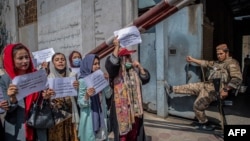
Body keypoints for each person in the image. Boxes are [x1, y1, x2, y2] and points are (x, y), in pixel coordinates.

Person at [165, 43, 242, 130]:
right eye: (217, 54)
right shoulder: (217, 63)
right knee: (190, 86)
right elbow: (205, 63)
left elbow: (237, 78)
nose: (219, 56)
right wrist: (192, 60)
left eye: (221, 54)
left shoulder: (232, 63)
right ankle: (171, 89)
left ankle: (204, 123)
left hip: (215, 91)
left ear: (227, 53)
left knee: (197, 106)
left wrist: (226, 89)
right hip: (207, 85)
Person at [1, 43, 55, 141]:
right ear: (11, 60)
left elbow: (43, 102)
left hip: (37, 125)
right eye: (20, 58)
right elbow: (8, 109)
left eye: (27, 57)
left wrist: (46, 97)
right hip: (17, 128)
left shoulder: (37, 75)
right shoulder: (5, 80)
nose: (25, 61)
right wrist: (12, 98)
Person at [105, 37, 150, 141]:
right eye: (127, 57)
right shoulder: (116, 73)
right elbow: (111, 65)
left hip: (135, 112)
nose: (129, 59)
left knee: (135, 133)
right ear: (121, 59)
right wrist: (116, 47)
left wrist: (140, 68)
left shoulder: (133, 71)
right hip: (121, 112)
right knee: (123, 136)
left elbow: (145, 79)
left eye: (129, 56)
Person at [77, 54, 112, 141]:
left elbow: (108, 95)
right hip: (90, 117)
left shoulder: (100, 77)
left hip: (101, 114)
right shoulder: (82, 81)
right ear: (88, 65)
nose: (98, 66)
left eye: (98, 63)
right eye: (94, 64)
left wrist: (107, 82)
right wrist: (87, 95)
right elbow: (81, 103)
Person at [47, 52, 79, 141]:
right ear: (53, 63)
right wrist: (48, 95)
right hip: (57, 117)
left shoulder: (72, 76)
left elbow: (78, 97)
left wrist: (77, 87)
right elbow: (47, 100)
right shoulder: (50, 78)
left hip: (71, 114)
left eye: (62, 59)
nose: (60, 62)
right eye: (57, 60)